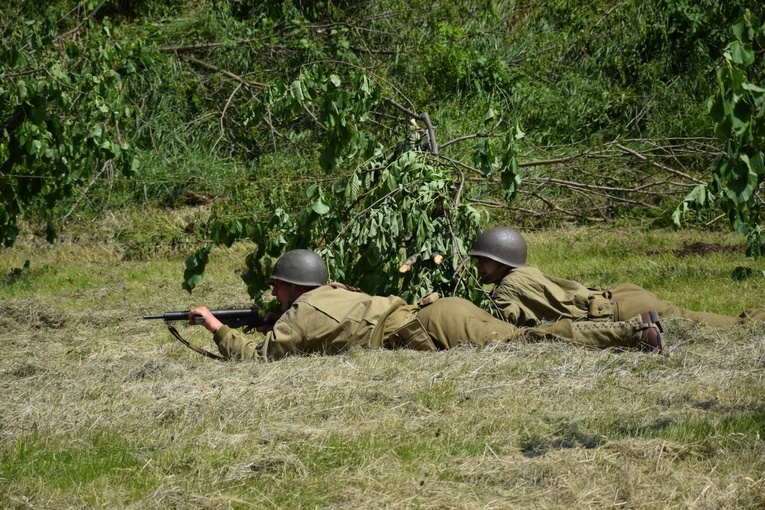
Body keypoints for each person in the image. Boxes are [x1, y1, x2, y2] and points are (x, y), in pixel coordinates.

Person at [188, 249, 669, 361]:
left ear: (293, 287)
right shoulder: (336, 293)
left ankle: (632, 334)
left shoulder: (299, 314)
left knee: (531, 340)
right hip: (436, 313)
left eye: (277, 288)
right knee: (527, 337)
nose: (272, 295)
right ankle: (634, 326)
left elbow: (258, 360)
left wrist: (214, 326)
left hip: (433, 327)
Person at [469, 226, 765, 329]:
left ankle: (752, 321)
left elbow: (502, 331)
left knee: (690, 320)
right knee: (683, 315)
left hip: (615, 312)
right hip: (622, 297)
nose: (479, 265)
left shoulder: (508, 288)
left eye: (484, 259)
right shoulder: (525, 272)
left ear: (502, 260)